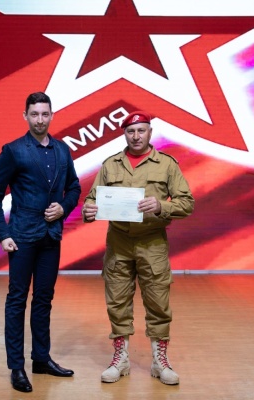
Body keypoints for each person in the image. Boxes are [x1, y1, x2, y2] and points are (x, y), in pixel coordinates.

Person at [81, 111, 194, 385]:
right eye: (131, 131)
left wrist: (161, 206)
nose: (136, 136)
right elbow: (92, 199)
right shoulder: (110, 165)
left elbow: (187, 203)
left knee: (158, 302)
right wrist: (88, 210)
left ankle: (159, 361)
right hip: (118, 243)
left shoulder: (166, 165)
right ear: (124, 134)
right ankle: (120, 360)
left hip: (152, 242)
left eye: (141, 131)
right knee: (117, 302)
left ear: (150, 133)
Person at [0, 92, 81, 393]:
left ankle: (41, 359)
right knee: (17, 301)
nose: (40, 119)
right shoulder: (14, 151)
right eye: (35, 114)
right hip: (22, 237)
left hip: (51, 237)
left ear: (52, 115)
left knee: (43, 300)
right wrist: (3, 234)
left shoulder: (62, 150)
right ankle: (17, 367)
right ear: (25, 116)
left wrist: (64, 207)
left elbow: (74, 187)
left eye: (45, 114)